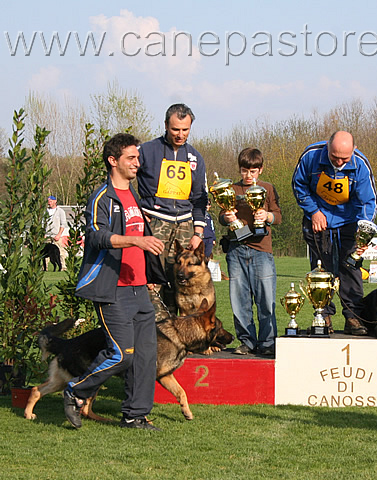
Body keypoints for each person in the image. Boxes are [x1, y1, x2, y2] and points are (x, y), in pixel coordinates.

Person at [64, 133, 167, 431]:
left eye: (138, 157)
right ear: (113, 161)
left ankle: (135, 416)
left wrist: (149, 274)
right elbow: (95, 236)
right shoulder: (101, 197)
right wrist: (136, 240)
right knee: (122, 354)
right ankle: (75, 390)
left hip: (139, 290)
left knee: (146, 358)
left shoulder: (133, 194)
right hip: (113, 290)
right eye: (131, 158)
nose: (138, 162)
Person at [292, 131, 377, 335]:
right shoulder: (310, 157)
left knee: (351, 269)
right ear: (327, 148)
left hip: (349, 222)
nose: (339, 162)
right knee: (321, 271)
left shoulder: (361, 165)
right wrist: (313, 211)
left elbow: (368, 201)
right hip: (318, 221)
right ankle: (323, 316)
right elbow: (299, 186)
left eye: (344, 158)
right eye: (334, 156)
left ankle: (354, 317)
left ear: (354, 151)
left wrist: (363, 231)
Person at [137, 103, 208, 314]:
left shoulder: (196, 157)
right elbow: (123, 176)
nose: (180, 134)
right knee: (152, 280)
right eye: (175, 129)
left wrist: (198, 232)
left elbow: (200, 199)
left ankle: (177, 336)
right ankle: (155, 332)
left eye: (185, 130)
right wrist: (138, 208)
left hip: (185, 225)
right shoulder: (147, 151)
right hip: (155, 223)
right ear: (166, 125)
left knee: (179, 282)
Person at [220, 148, 281, 357]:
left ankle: (267, 342)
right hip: (236, 249)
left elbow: (278, 216)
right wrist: (226, 218)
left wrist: (267, 216)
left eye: (253, 171)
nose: (249, 175)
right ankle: (246, 341)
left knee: (266, 300)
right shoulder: (230, 189)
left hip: (262, 251)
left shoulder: (268, 189)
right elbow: (221, 215)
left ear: (261, 170)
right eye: (245, 171)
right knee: (239, 301)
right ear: (240, 169)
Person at [46, 195, 69, 270]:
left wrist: (59, 234)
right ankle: (44, 267)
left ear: (55, 201)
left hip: (56, 235)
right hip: (47, 235)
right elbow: (43, 223)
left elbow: (63, 224)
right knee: (46, 253)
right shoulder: (45, 211)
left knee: (60, 252)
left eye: (51, 201)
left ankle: (63, 266)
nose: (49, 203)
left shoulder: (60, 211)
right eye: (48, 201)